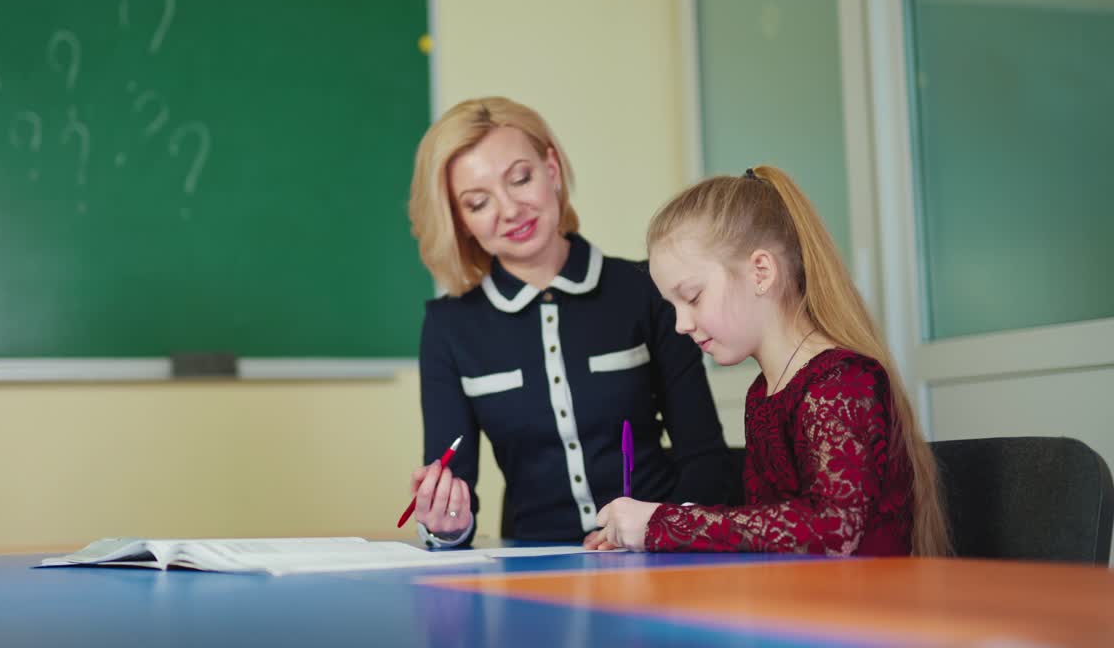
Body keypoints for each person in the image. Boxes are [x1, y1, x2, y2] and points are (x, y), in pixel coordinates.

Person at [404, 96, 735, 548]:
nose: (509, 209)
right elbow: (456, 502)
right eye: (478, 202)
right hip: (532, 569)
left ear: (552, 171)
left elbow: (706, 460)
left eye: (520, 178)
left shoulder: (646, 289)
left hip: (660, 555)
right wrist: (445, 524)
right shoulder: (448, 327)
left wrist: (664, 534)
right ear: (460, 221)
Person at [585, 165, 950, 556]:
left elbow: (836, 531)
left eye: (691, 297)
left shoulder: (841, 382)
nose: (681, 324)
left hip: (864, 613)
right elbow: (768, 526)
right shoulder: (763, 393)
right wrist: (656, 528)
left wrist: (663, 524)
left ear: (761, 271)